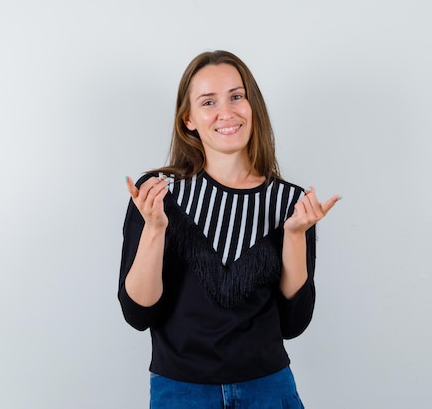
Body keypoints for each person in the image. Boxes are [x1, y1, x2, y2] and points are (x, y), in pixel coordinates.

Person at [118, 50, 340, 409]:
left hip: (268, 389)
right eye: (209, 102)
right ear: (188, 119)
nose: (227, 112)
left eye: (237, 96)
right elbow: (138, 313)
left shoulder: (289, 201)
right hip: (181, 391)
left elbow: (293, 324)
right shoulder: (159, 193)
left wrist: (296, 234)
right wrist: (156, 228)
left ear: (252, 105)